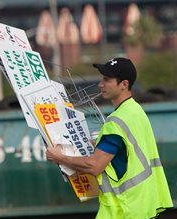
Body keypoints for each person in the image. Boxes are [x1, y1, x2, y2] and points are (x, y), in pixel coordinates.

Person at [46, 57, 173, 218]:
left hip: (123, 210)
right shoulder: (135, 110)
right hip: (144, 205)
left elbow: (94, 166)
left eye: (107, 80)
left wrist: (59, 157)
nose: (101, 84)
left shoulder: (115, 123)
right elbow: (125, 150)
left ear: (124, 84)